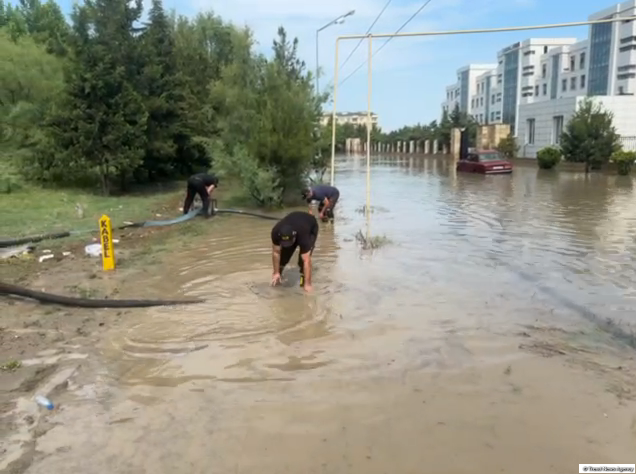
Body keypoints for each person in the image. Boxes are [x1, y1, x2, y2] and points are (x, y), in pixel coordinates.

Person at [270, 211, 319, 292]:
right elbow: (276, 252)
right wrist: (276, 272)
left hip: (310, 227)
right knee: (283, 259)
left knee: (302, 262)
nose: (287, 245)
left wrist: (308, 284)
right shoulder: (275, 232)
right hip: (294, 225)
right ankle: (278, 279)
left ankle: (302, 283)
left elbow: (307, 260)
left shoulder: (304, 236)